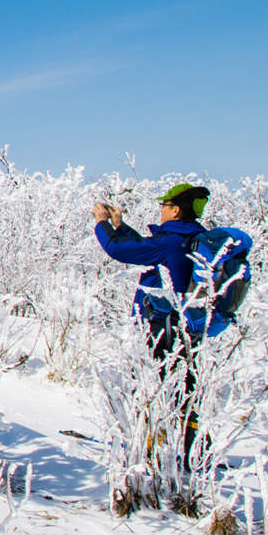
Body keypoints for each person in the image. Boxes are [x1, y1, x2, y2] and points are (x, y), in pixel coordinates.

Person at [91, 183, 212, 465]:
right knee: (185, 385)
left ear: (176, 209)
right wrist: (120, 226)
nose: (161, 210)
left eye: (164, 205)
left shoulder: (172, 241)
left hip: (161, 327)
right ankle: (191, 451)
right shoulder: (194, 239)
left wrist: (102, 224)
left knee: (153, 386)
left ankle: (152, 449)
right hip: (187, 326)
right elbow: (146, 249)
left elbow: (118, 251)